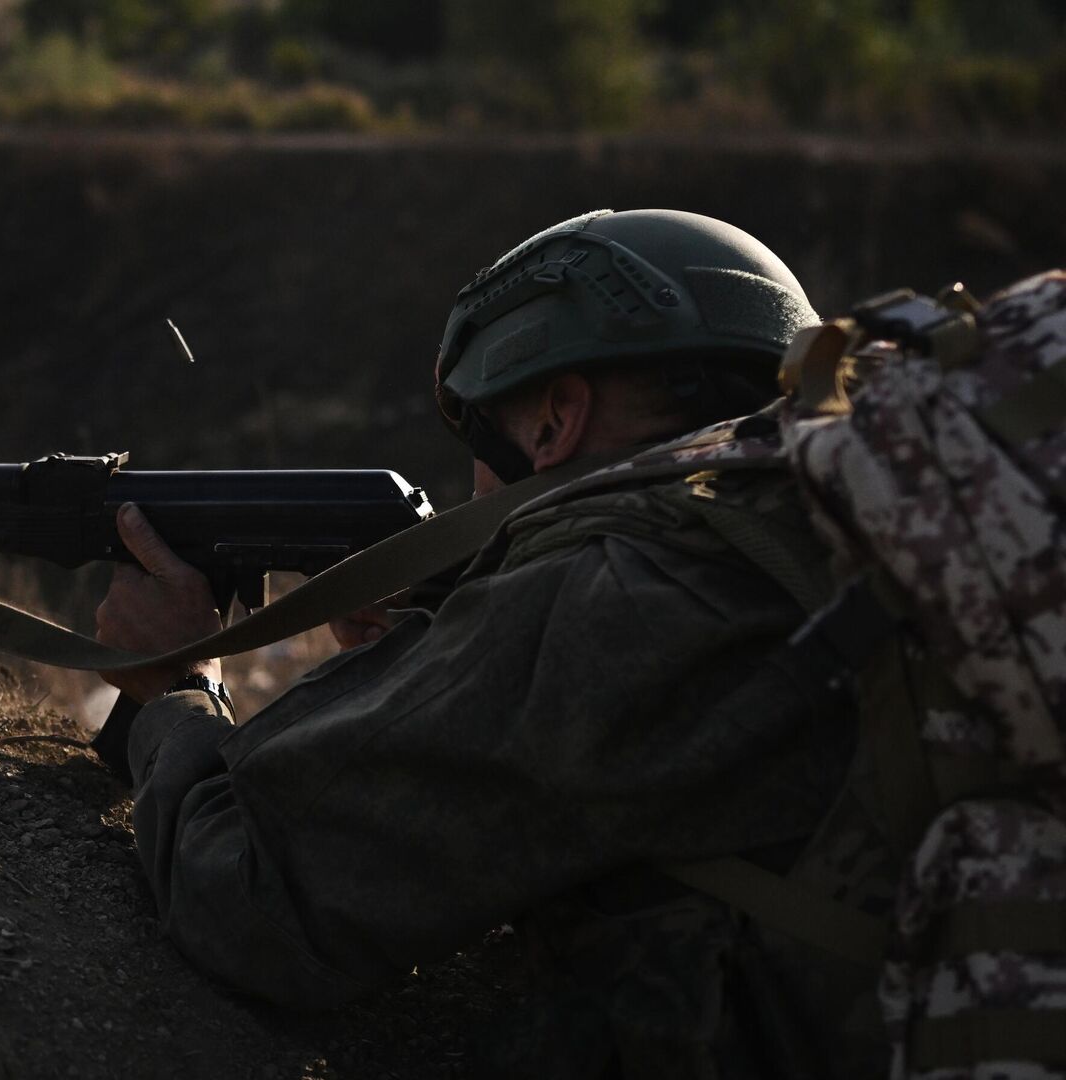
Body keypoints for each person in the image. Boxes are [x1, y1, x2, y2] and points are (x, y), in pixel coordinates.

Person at [91, 209, 895, 1078]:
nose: (467, 487)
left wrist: (178, 689)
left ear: (554, 421)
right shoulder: (852, 528)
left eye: (477, 434)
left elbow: (252, 901)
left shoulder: (604, 598)